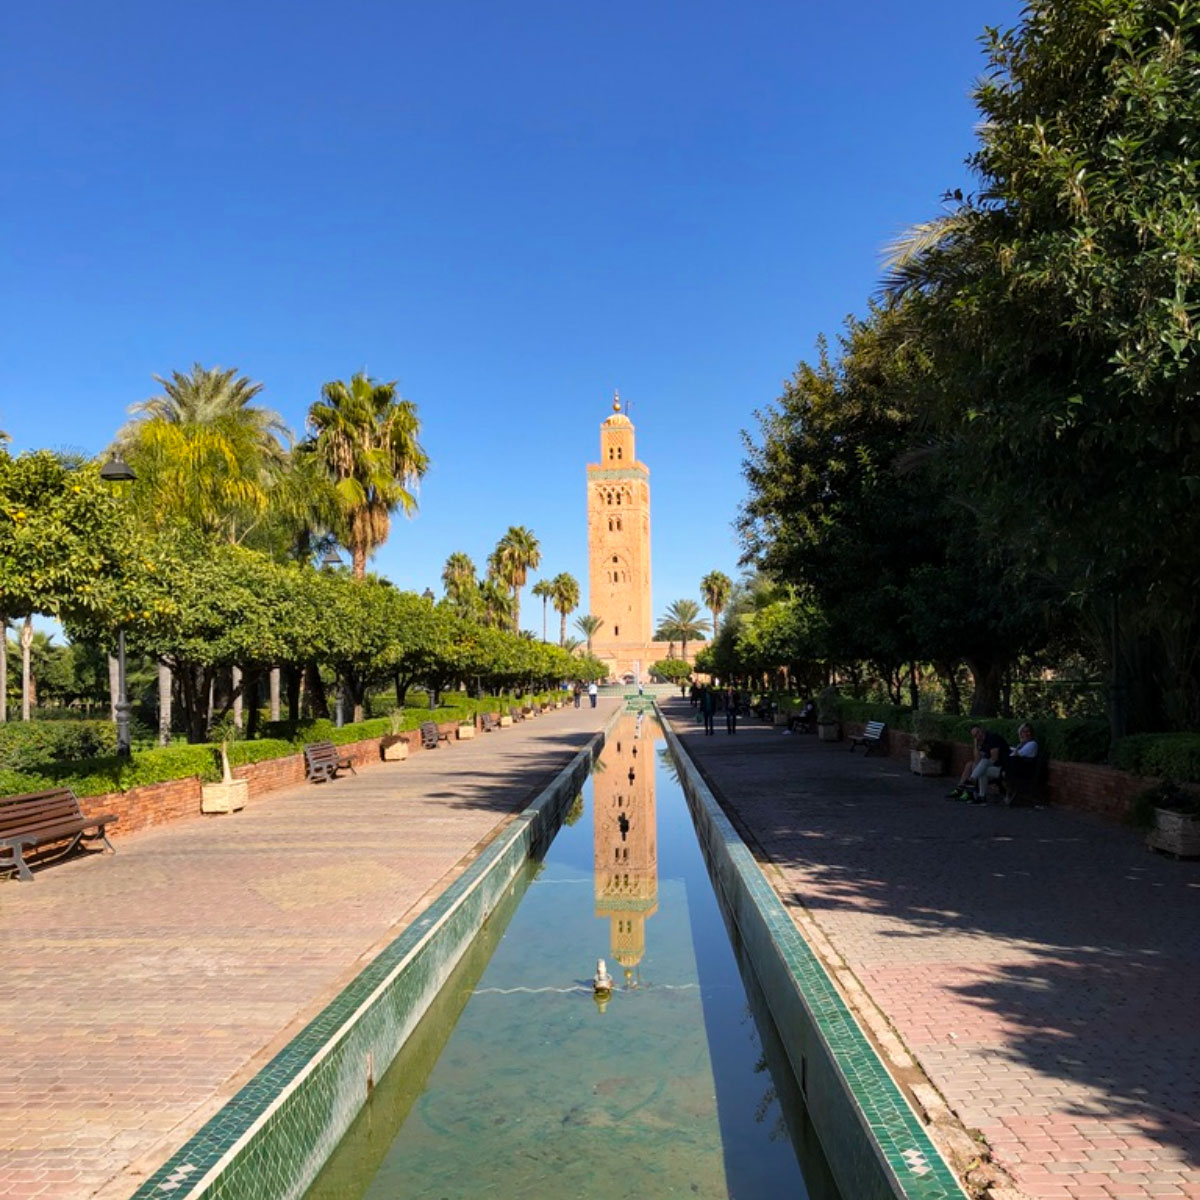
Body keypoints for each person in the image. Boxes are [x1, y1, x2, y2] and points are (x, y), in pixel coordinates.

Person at [947, 725, 1010, 804]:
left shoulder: (992, 738)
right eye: (975, 735)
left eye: (978, 732)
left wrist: (982, 764)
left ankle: (970, 783)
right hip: (993, 767)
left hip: (1004, 768)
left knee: (982, 764)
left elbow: (994, 758)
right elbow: (977, 759)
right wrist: (976, 744)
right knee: (973, 765)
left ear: (982, 729)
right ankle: (977, 795)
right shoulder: (982, 742)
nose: (978, 735)